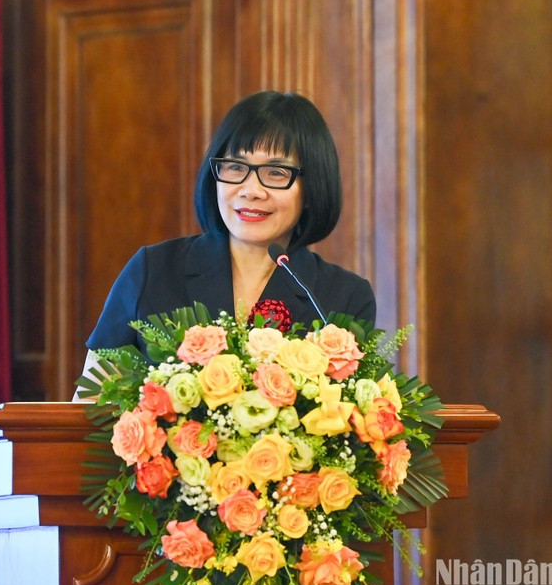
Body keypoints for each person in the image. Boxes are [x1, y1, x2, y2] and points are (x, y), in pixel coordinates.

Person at [76, 91, 375, 396]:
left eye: (275, 172)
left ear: (312, 188)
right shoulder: (154, 270)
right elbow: (90, 402)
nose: (251, 190)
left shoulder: (343, 297)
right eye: (235, 167)